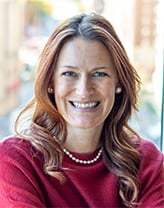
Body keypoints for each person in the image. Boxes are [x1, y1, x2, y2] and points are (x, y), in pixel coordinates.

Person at [0, 13, 163, 208]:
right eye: (70, 74)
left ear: (118, 83)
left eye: (99, 74)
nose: (84, 90)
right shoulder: (16, 160)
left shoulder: (147, 161)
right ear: (51, 82)